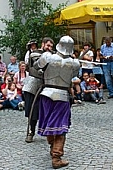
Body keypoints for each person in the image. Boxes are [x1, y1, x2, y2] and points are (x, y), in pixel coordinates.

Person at [33, 35, 80, 169]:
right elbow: (73, 76)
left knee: (49, 122)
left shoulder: (47, 56)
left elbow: (37, 67)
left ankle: (53, 149)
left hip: (47, 94)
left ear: (59, 45)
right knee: (60, 125)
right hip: (62, 96)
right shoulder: (75, 63)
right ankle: (56, 157)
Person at [23, 37, 54, 143]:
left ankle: (47, 130)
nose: (49, 48)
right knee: (32, 111)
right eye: (48, 45)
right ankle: (31, 132)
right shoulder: (35, 54)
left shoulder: (52, 55)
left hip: (46, 85)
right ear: (43, 44)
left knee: (47, 109)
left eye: (51, 46)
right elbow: (39, 67)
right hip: (33, 85)